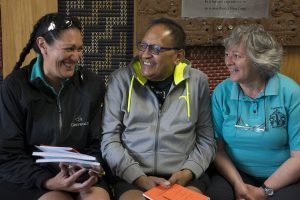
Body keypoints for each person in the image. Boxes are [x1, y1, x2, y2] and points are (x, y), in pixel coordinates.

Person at [101, 17, 216, 200]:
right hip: (133, 176)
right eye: (143, 46)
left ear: (178, 56)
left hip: (183, 176)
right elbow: (109, 140)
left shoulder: (197, 82)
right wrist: (139, 178)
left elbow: (206, 139)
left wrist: (188, 172)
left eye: (155, 49)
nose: (145, 54)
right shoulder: (121, 80)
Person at [0, 13, 111, 200]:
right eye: (69, 49)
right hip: (30, 175)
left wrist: (86, 170)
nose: (76, 57)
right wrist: (48, 181)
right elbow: (7, 154)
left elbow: (98, 142)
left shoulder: (93, 84)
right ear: (43, 45)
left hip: (81, 171)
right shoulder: (14, 87)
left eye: (80, 49)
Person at [206, 24, 300, 200]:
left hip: (283, 177)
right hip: (235, 173)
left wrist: (263, 191)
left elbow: (299, 157)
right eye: (227, 55)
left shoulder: (291, 93)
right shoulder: (222, 92)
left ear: (260, 59)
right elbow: (217, 149)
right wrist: (237, 183)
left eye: (236, 56)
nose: (228, 62)